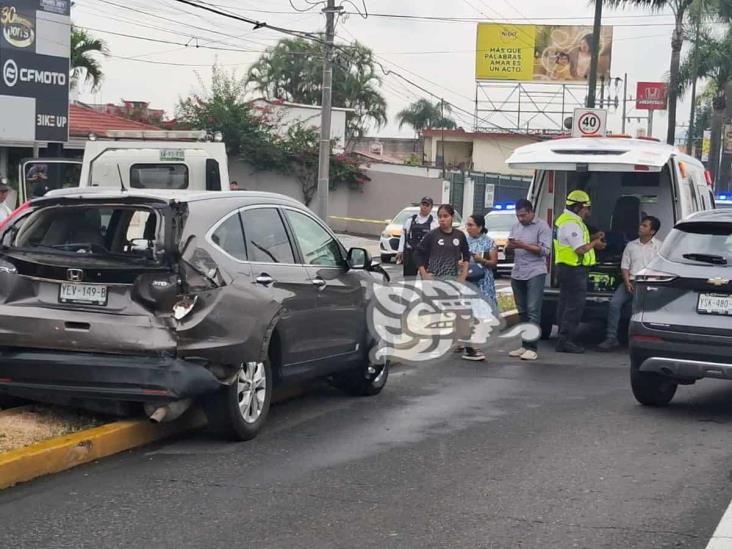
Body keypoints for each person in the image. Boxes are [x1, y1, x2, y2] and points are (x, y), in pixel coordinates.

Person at [415, 204, 482, 361]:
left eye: (445, 216)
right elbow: (418, 254)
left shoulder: (459, 236)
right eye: (440, 217)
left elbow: (466, 256)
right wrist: (424, 273)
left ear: (452, 217)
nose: (442, 220)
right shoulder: (432, 235)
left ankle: (468, 347)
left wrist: (463, 275)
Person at [597, 216, 662, 351]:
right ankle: (611, 338)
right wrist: (627, 283)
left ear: (652, 231)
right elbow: (624, 266)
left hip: (647, 284)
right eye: (641, 225)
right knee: (614, 304)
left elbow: (660, 268)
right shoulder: (631, 246)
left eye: (645, 226)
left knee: (637, 310)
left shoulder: (659, 247)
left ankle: (637, 340)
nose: (640, 227)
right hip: (630, 281)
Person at [554, 190, 607, 354]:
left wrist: (592, 237)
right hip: (573, 270)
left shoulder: (570, 221)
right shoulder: (571, 223)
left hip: (567, 269)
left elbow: (577, 242)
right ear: (577, 207)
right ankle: (565, 341)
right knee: (574, 307)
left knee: (565, 303)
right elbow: (580, 248)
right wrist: (595, 243)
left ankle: (562, 337)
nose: (588, 212)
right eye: (586, 208)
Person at [507, 199, 552, 361]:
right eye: (518, 216)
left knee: (533, 310)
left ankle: (532, 347)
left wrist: (523, 245)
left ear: (531, 212)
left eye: (523, 215)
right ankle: (524, 344)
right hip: (518, 272)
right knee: (522, 311)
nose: (521, 219)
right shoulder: (516, 226)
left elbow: (545, 251)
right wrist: (510, 246)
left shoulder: (542, 226)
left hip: (535, 272)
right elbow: (510, 246)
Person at [397, 196, 438, 277]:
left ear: (431, 208)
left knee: (427, 282)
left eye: (427, 205)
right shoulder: (411, 220)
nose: (424, 207)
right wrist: (400, 251)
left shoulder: (434, 223)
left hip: (425, 255)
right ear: (420, 205)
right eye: (423, 204)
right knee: (409, 282)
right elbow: (404, 235)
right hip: (411, 253)